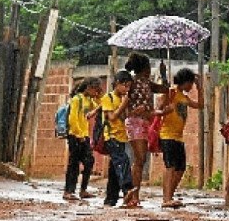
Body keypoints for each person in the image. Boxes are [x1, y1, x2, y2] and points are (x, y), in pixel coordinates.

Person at [124, 53, 169, 205]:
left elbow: (165, 89)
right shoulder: (131, 83)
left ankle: (133, 194)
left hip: (144, 122)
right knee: (140, 159)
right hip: (135, 122)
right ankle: (132, 194)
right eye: (149, 66)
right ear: (145, 68)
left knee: (140, 159)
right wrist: (133, 110)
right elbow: (123, 102)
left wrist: (163, 73)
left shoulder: (148, 84)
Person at [158, 68, 204, 208]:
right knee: (170, 166)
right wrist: (167, 104)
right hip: (167, 134)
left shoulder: (184, 97)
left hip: (178, 137)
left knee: (180, 168)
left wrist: (200, 88)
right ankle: (166, 199)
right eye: (190, 83)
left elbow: (200, 105)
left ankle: (170, 196)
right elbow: (160, 107)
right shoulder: (171, 93)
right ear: (185, 82)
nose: (191, 87)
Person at [100, 70, 138, 207]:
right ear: (117, 84)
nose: (127, 89)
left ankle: (110, 199)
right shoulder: (107, 98)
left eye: (129, 87)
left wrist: (132, 109)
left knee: (114, 168)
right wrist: (124, 104)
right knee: (123, 161)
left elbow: (124, 116)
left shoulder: (122, 99)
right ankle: (127, 189)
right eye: (125, 86)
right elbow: (112, 117)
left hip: (122, 137)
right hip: (111, 136)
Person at [64, 77, 102, 201]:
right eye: (95, 90)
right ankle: (68, 191)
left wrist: (99, 96)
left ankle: (83, 190)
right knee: (74, 164)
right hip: (76, 135)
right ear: (88, 87)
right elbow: (72, 119)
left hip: (83, 135)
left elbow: (99, 107)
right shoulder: (77, 99)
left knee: (89, 161)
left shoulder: (88, 100)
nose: (95, 93)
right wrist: (78, 135)